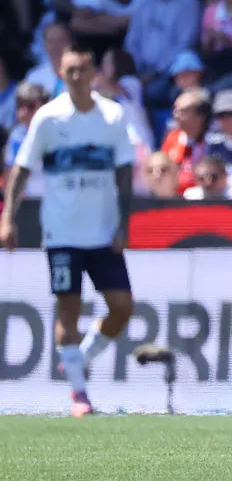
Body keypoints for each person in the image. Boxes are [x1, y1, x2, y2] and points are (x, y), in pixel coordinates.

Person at [0, 45, 136, 417]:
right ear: (60, 75)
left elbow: (124, 172)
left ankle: (80, 357)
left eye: (83, 70)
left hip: (103, 231)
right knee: (69, 310)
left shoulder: (112, 116)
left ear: (94, 73)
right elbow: (21, 170)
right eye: (70, 71)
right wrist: (7, 218)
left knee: (123, 307)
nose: (76, 77)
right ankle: (79, 393)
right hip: (61, 233)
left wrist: (123, 224)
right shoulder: (48, 118)